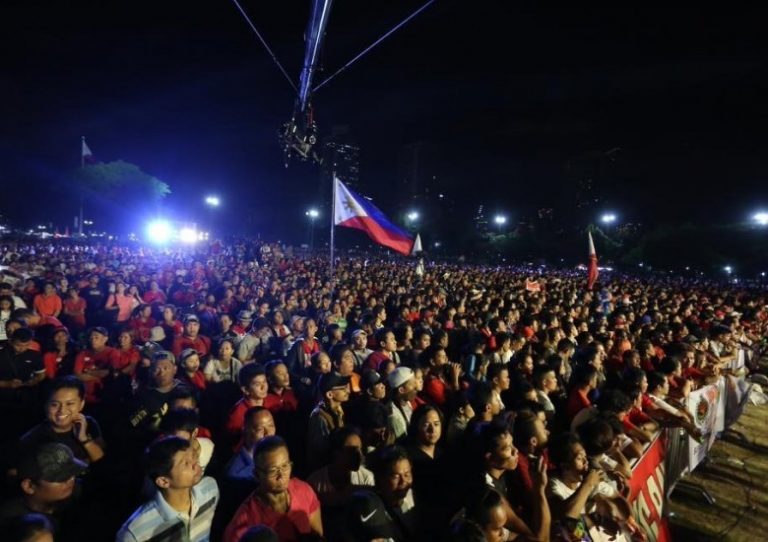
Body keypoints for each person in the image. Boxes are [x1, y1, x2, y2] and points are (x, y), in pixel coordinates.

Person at [117, 436, 219, 542]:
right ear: (164, 481)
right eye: (186, 463)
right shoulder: (135, 533)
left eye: (193, 456)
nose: (195, 464)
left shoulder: (209, 488)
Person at [223, 436, 323, 542]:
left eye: (285, 466)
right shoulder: (245, 519)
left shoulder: (304, 491)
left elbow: (318, 536)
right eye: (273, 471)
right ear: (256, 474)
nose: (281, 476)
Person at [0, 443, 87, 536]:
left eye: (72, 472)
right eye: (61, 477)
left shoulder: (79, 492)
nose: (71, 479)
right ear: (29, 486)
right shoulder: (10, 521)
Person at [17, 377, 105, 467]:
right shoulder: (32, 438)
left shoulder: (89, 424)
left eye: (70, 403)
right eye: (54, 405)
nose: (62, 410)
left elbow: (101, 461)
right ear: (45, 406)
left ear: (81, 404)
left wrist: (84, 439)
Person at [307, 372, 351, 470]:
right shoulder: (319, 417)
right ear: (330, 394)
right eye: (343, 388)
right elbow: (322, 450)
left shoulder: (339, 408)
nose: (348, 391)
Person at [225, 363, 269, 439]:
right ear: (245, 390)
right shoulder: (238, 415)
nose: (263, 387)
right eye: (257, 384)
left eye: (264, 382)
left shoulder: (272, 401)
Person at [386, 367, 418, 442]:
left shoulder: (406, 402)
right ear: (401, 390)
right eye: (412, 384)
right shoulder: (394, 416)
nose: (416, 387)